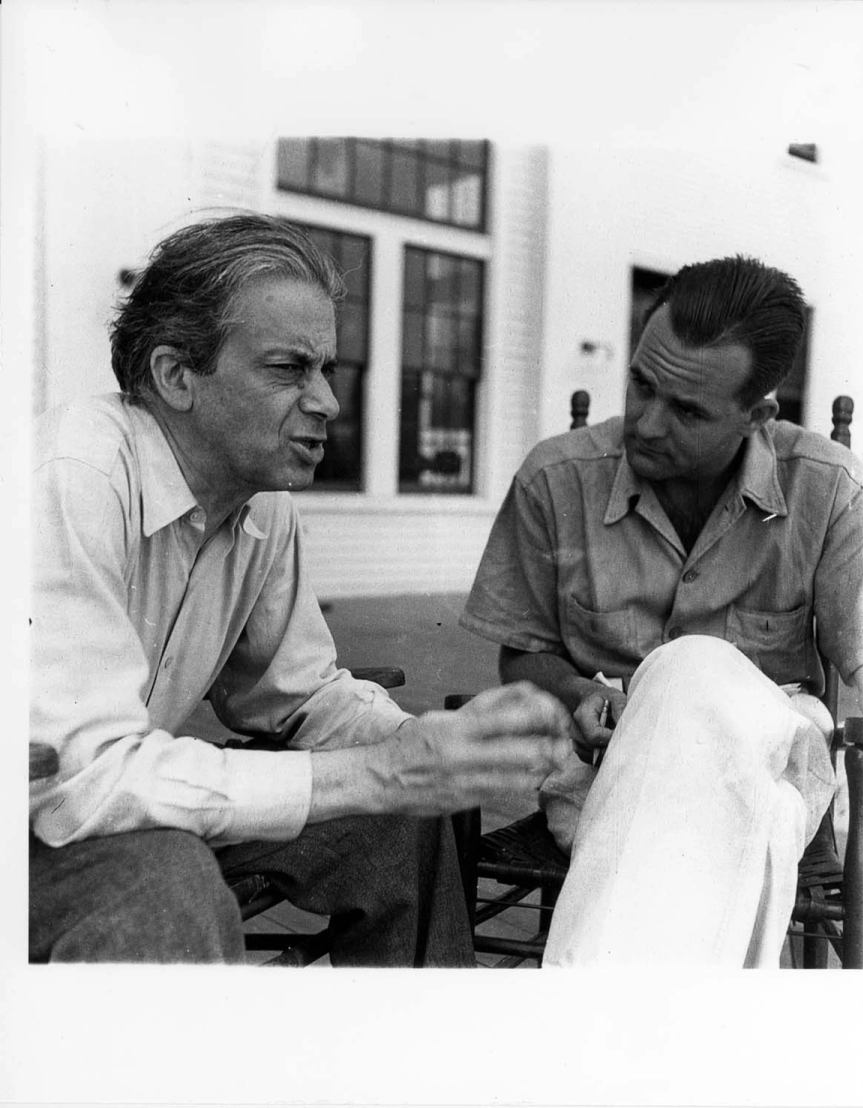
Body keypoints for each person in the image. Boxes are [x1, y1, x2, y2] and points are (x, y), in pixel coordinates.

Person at [29, 212, 574, 966]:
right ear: (175, 375)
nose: (328, 402)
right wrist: (383, 771)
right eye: (289, 369)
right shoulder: (70, 479)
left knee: (409, 811)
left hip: (121, 799)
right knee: (160, 883)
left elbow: (296, 695)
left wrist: (446, 749)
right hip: (34, 827)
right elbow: (79, 787)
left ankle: (410, 1060)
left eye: (326, 370)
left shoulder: (261, 503)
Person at [461, 255, 863, 966]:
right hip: (604, 766)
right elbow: (523, 649)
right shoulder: (556, 478)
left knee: (694, 673)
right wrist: (580, 693)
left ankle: (591, 1028)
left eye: (686, 410)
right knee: (737, 840)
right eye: (642, 385)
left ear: (758, 416)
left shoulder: (828, 489)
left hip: (772, 748)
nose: (647, 424)